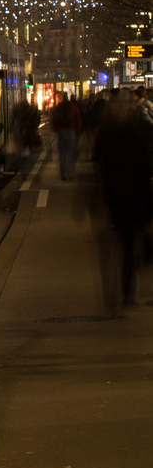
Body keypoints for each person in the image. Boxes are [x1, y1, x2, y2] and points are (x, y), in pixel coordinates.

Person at [92, 92, 151, 311]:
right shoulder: (136, 136)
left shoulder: (107, 135)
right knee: (128, 245)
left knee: (117, 242)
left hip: (114, 197)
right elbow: (144, 172)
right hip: (135, 197)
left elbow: (101, 168)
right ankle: (127, 290)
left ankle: (114, 291)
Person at [51, 91, 83, 181]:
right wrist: (78, 130)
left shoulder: (58, 107)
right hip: (71, 131)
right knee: (70, 153)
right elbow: (78, 118)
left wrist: (55, 129)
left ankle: (63, 174)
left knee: (62, 154)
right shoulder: (73, 106)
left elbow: (53, 119)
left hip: (61, 131)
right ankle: (70, 173)